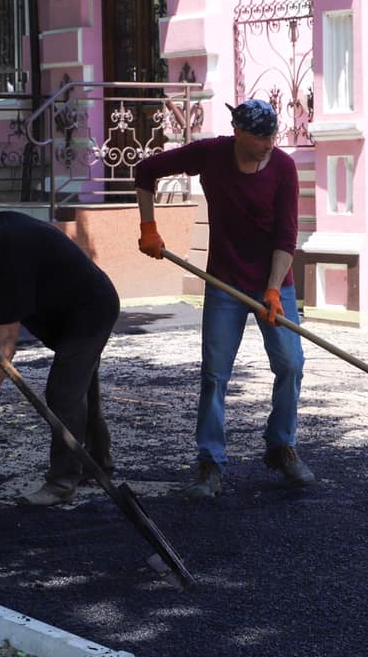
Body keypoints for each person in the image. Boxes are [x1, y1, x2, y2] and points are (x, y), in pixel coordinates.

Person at [134, 98, 314, 498]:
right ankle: (210, 462)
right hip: (225, 283)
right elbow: (145, 171)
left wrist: (272, 287)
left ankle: (281, 446)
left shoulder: (283, 168)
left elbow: (286, 235)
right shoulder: (212, 155)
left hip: (274, 283)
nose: (270, 143)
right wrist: (148, 225)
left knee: (291, 365)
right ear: (239, 133)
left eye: (273, 134)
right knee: (215, 375)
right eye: (262, 136)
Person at [0, 206, 120, 506]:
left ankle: (63, 482)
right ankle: (98, 462)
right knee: (81, 390)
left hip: (90, 312)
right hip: (69, 314)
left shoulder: (13, 255)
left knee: (63, 394)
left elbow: (7, 339)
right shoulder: (0, 229)